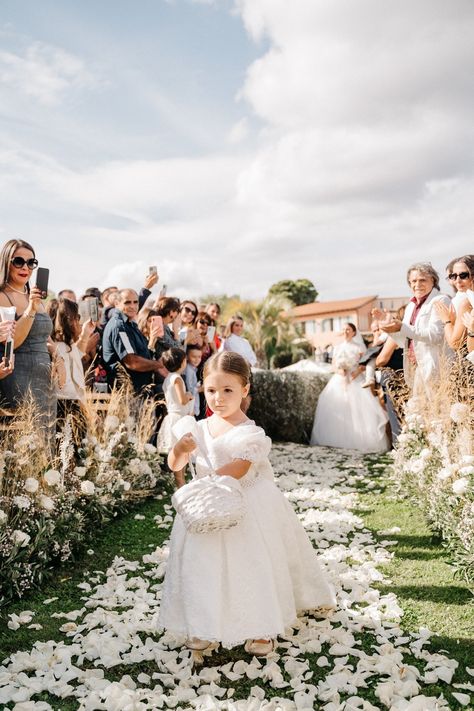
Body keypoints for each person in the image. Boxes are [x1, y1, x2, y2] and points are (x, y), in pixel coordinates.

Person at [159, 352, 336, 655]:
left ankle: (261, 626)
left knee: (251, 565)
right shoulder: (196, 428)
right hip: (205, 510)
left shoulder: (249, 432)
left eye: (228, 390)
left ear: (244, 390)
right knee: (203, 567)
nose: (218, 398)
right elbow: (175, 463)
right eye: (212, 390)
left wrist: (208, 482)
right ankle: (203, 625)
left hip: (246, 504)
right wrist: (180, 448)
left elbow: (240, 468)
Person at [0, 239, 56, 432]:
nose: (26, 267)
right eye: (19, 261)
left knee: (48, 439)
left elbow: (44, 336)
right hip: (19, 374)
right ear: (6, 262)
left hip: (45, 375)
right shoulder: (3, 296)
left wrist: (58, 358)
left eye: (31, 262)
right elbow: (13, 342)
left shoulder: (35, 296)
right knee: (27, 440)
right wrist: (31, 308)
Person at [310, 323, 389, 453]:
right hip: (339, 379)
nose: (346, 332)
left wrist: (356, 372)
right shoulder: (337, 347)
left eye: (348, 330)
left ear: (354, 332)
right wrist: (340, 370)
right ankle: (334, 440)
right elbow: (334, 364)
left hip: (355, 378)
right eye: (344, 329)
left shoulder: (359, 347)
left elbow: (365, 363)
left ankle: (361, 440)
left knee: (359, 409)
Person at [376, 262, 451, 394]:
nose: (417, 284)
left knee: (435, 412)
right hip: (415, 368)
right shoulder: (411, 305)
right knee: (416, 412)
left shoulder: (441, 300)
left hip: (435, 367)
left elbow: (435, 335)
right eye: (413, 281)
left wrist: (402, 327)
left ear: (433, 280)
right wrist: (391, 330)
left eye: (422, 280)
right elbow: (404, 340)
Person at [102, 288, 164, 395]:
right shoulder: (119, 326)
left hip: (139, 391)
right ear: (117, 303)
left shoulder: (131, 324)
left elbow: (143, 355)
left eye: (135, 302)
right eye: (127, 302)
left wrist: (152, 342)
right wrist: (159, 365)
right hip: (127, 393)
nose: (132, 306)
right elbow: (132, 362)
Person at [50, 298, 96, 437]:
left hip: (72, 404)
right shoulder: (55, 347)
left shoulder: (64, 344)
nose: (79, 321)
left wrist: (86, 333)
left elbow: (77, 354)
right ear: (69, 320)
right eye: (77, 317)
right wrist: (86, 409)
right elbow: (67, 386)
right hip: (66, 406)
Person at [156, 347, 194, 487]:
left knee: (178, 451)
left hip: (172, 416)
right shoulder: (177, 379)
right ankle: (180, 482)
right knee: (181, 451)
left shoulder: (168, 378)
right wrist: (189, 396)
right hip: (179, 418)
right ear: (182, 362)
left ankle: (180, 481)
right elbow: (182, 400)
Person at [434, 255, 474, 351]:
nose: (457, 280)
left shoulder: (466, 303)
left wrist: (447, 321)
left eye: (463, 275)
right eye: (453, 276)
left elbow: (455, 343)